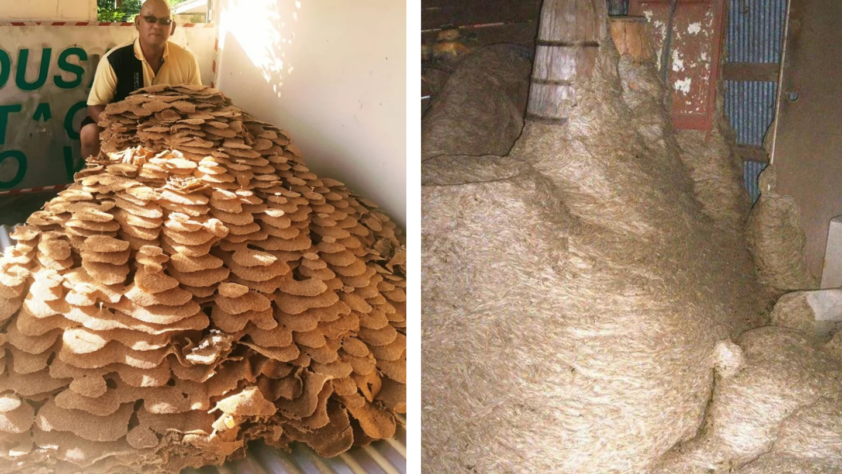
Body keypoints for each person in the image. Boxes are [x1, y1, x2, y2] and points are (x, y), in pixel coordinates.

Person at [81, 0, 202, 159]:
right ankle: (93, 177)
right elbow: (95, 105)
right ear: (138, 23)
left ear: (172, 28)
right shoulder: (115, 60)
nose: (157, 26)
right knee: (89, 134)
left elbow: (198, 104)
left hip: (171, 127)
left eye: (164, 21)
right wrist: (120, 130)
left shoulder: (187, 60)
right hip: (123, 127)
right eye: (150, 19)